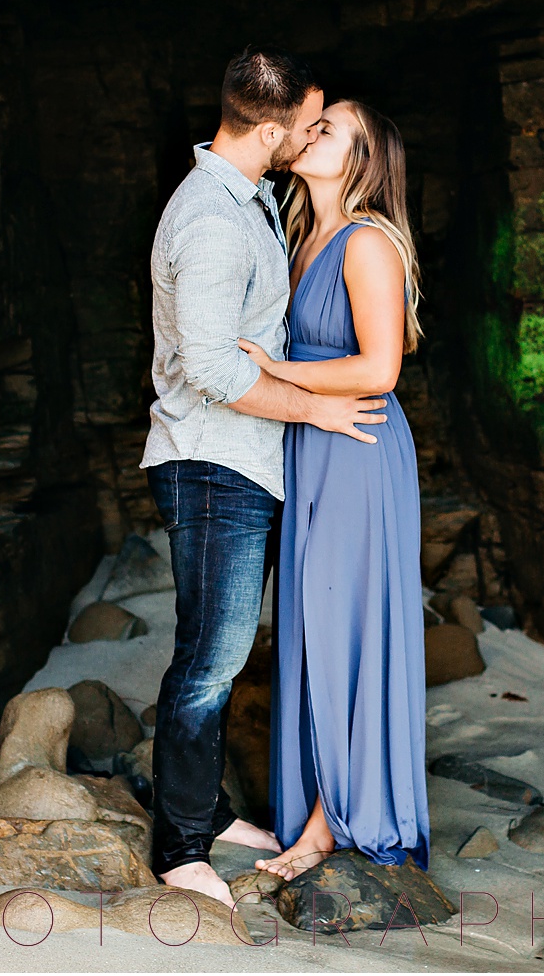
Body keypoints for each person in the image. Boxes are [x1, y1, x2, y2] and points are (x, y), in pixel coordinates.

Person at [140, 47, 391, 909]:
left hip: (239, 460)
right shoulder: (213, 216)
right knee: (210, 662)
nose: (312, 135)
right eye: (310, 123)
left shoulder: (246, 203)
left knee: (221, 649)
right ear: (276, 129)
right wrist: (313, 409)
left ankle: (201, 812)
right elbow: (212, 365)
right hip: (213, 460)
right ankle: (178, 847)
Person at [238, 99, 431, 880]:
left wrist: (273, 369)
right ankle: (320, 801)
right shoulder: (298, 234)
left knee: (341, 623)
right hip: (310, 446)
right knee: (309, 626)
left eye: (329, 128)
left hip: (356, 446)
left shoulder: (368, 243)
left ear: (362, 160)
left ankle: (332, 822)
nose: (309, 131)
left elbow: (380, 368)